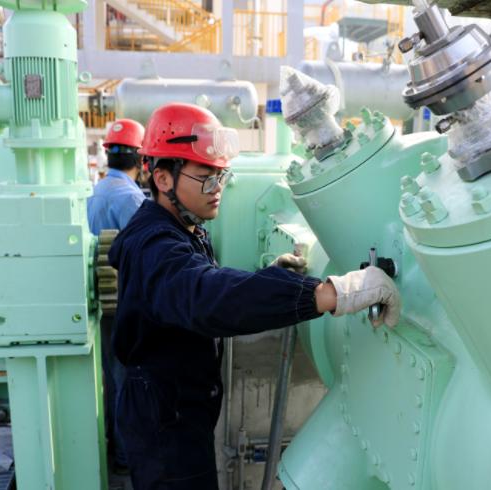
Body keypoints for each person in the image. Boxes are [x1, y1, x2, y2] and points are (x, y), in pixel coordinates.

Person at [108, 103, 400, 489]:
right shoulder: (155, 244)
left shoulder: (182, 227)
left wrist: (271, 278)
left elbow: (206, 282)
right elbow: (208, 296)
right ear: (163, 179)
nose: (217, 189)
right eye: (205, 178)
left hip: (173, 406)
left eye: (221, 176)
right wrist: (333, 293)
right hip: (165, 423)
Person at [87, 118, 146, 471]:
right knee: (128, 380)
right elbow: (145, 257)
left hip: (103, 303)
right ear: (141, 159)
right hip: (124, 304)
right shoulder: (131, 199)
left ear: (108, 155)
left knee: (112, 378)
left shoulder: (97, 192)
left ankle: (115, 447)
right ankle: (127, 456)